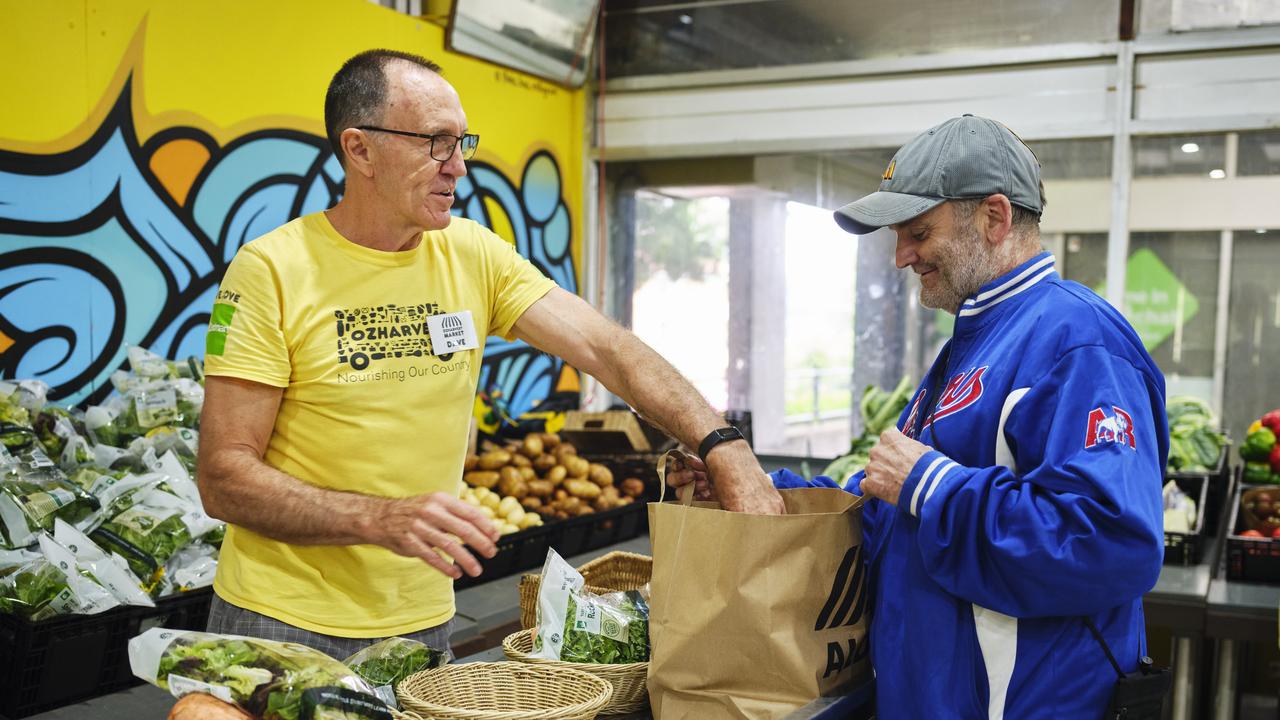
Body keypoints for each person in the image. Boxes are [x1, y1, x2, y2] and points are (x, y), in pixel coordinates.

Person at [196, 48, 783, 660]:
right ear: (360, 149)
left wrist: (725, 447)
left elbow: (609, 350)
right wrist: (380, 518)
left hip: (421, 627)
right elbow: (223, 477)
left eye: (461, 143)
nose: (458, 168)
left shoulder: (471, 253)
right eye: (435, 143)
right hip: (280, 624)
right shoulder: (271, 270)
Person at [669, 115, 1168, 719]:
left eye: (919, 232)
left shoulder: (1079, 342)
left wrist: (934, 485)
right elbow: (891, 515)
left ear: (994, 217)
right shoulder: (972, 343)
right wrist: (760, 494)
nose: (901, 256)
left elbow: (1112, 543)